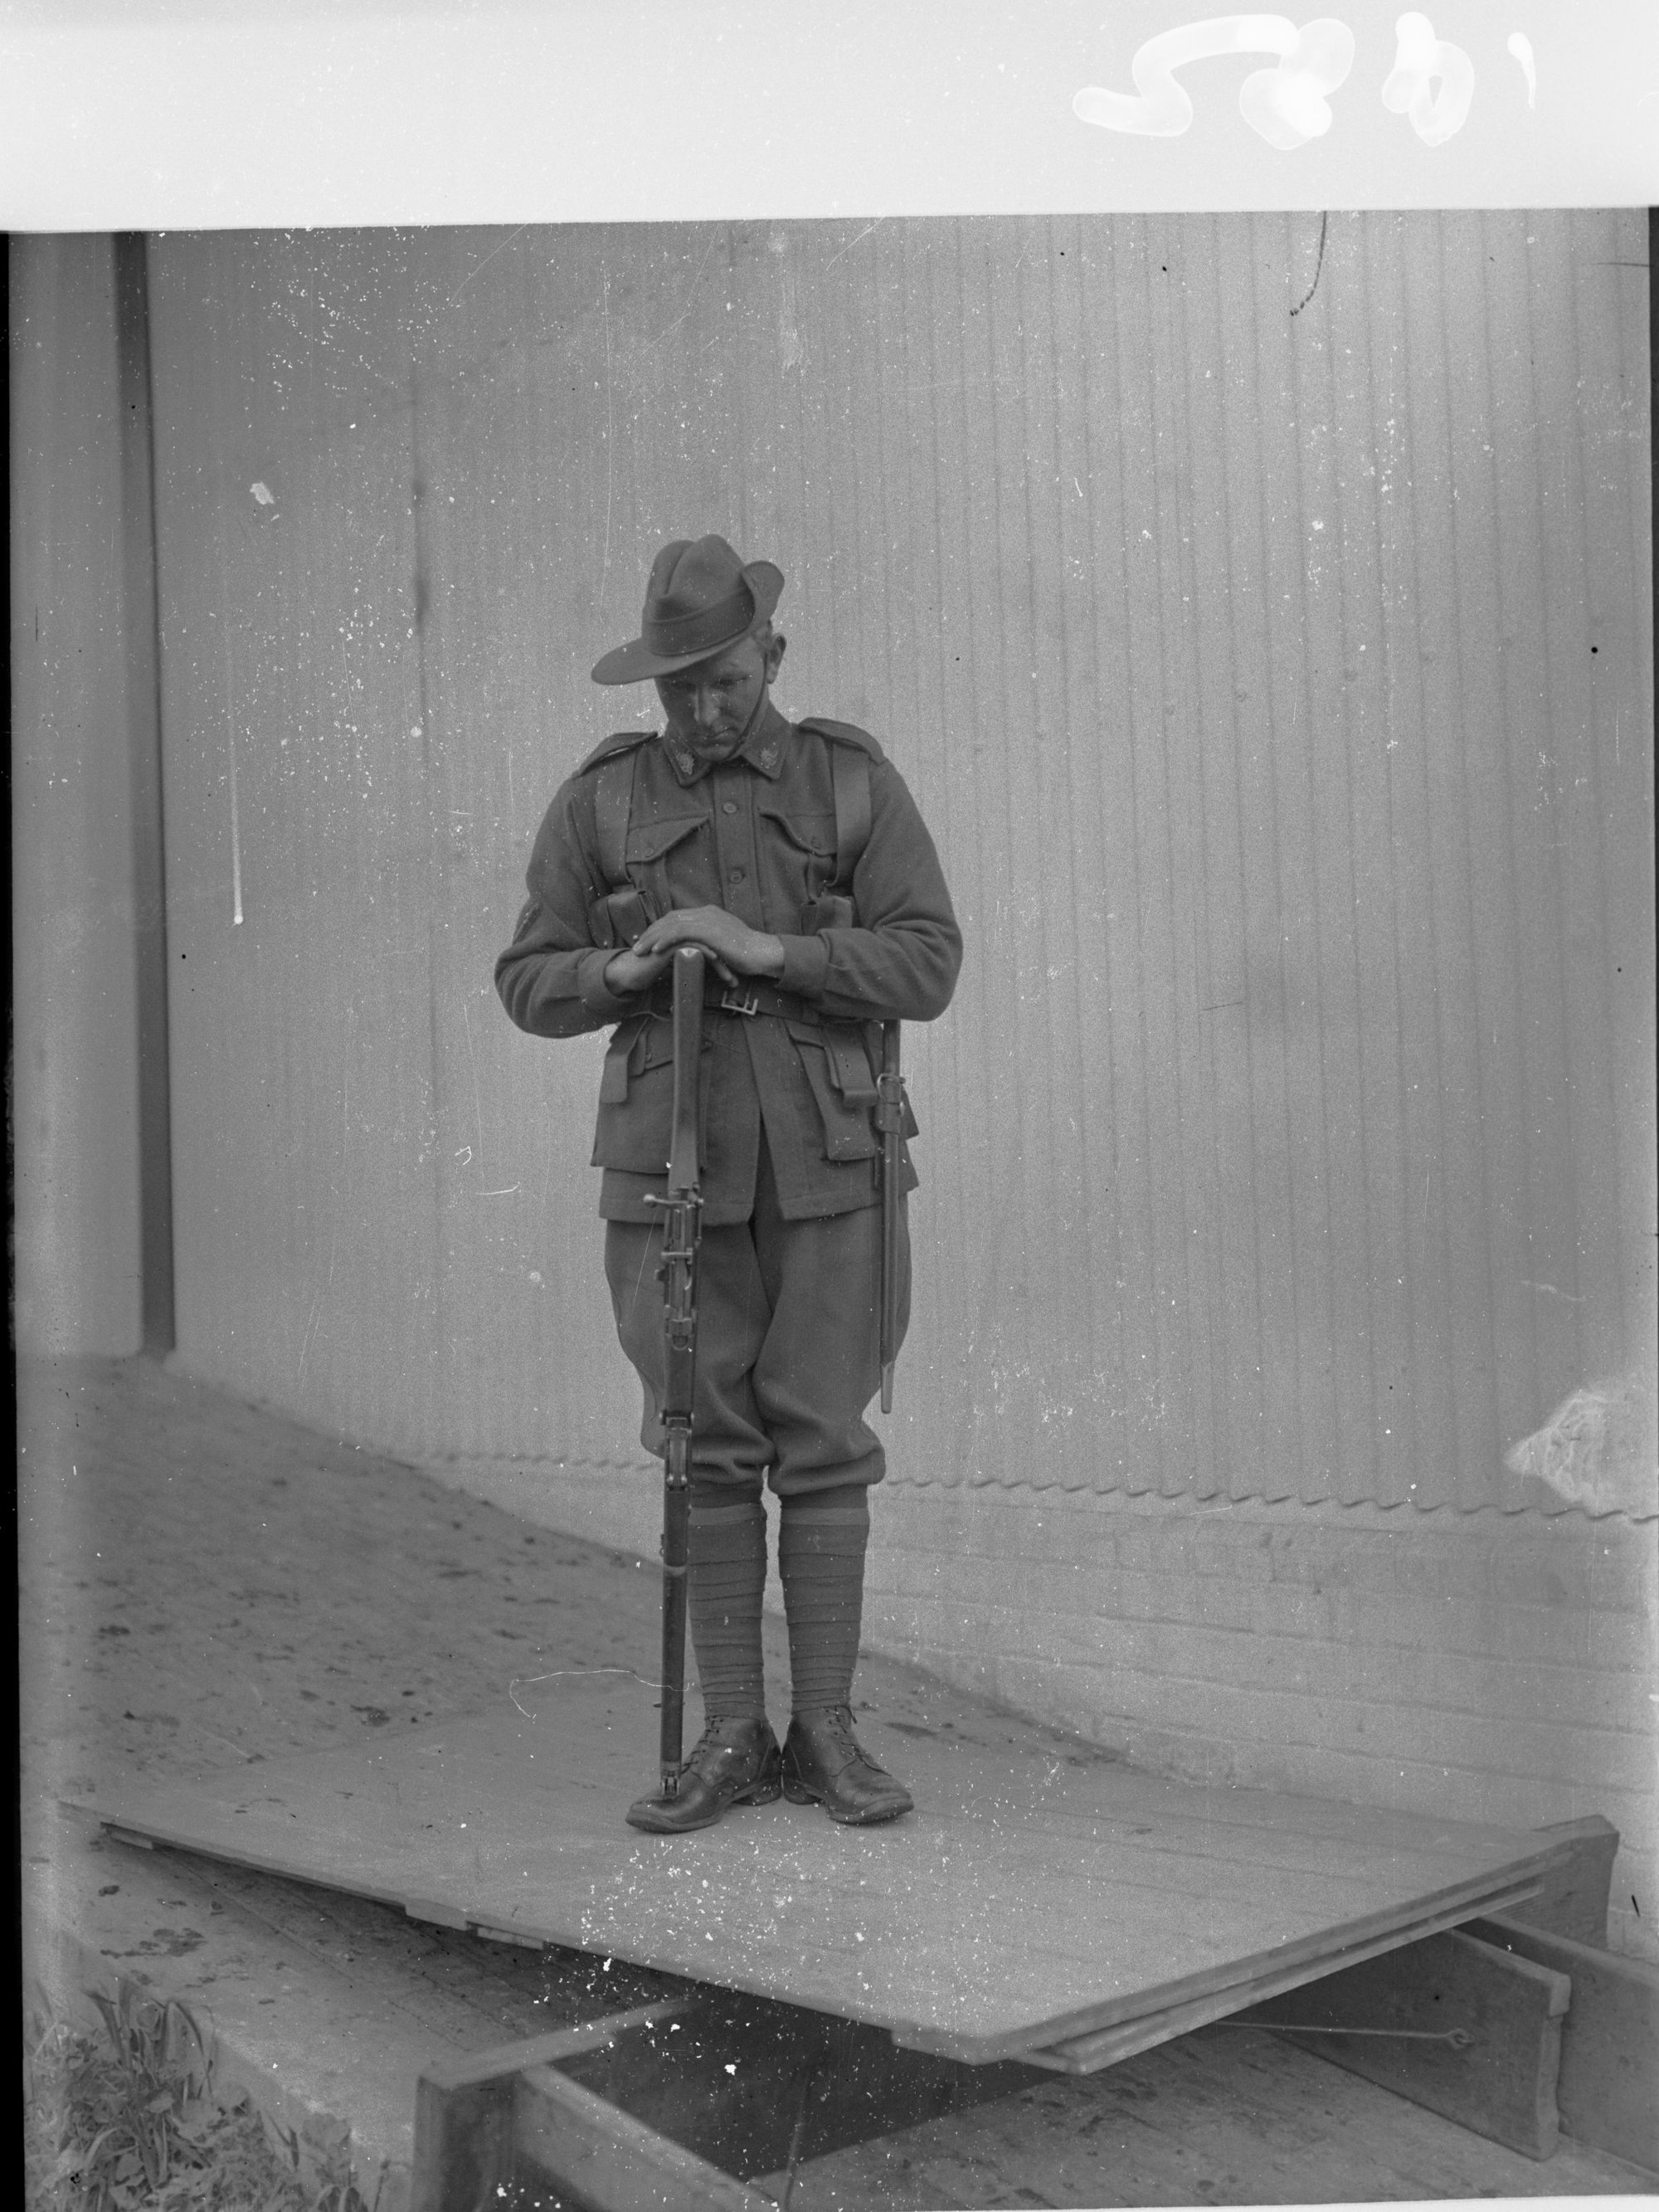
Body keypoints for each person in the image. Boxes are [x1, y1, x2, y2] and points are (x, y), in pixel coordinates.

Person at [495, 534, 961, 1834]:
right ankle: (730, 1735)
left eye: (727, 677)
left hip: (833, 1161)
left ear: (774, 653)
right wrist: (620, 977)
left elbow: (929, 958)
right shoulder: (599, 804)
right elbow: (526, 975)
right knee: (701, 1449)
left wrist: (772, 946)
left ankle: (827, 1732)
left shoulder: (851, 783)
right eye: (681, 687)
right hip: (673, 1171)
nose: (705, 708)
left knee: (825, 1444)